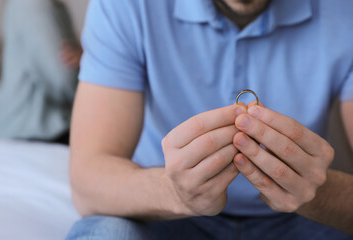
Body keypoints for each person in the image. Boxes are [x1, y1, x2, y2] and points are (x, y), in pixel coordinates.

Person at [67, 0, 353, 239]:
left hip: (304, 222)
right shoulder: (127, 5)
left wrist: (320, 193)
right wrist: (175, 192)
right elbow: (88, 182)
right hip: (162, 217)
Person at [0, 0, 81, 144]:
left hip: (41, 128)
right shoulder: (32, 5)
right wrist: (90, 63)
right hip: (31, 129)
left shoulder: (56, 7)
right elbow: (63, 81)